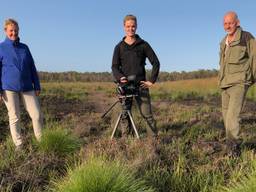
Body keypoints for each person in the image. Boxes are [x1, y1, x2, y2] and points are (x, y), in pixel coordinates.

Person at [112, 14, 160, 137]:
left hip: (141, 86)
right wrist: (120, 77)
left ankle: (153, 142)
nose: (130, 29)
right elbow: (114, 66)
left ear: (136, 26)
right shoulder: (119, 47)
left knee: (147, 115)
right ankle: (126, 140)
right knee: (124, 115)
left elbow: (155, 62)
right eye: (128, 26)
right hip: (124, 86)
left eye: (133, 26)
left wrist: (151, 80)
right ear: (124, 27)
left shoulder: (143, 44)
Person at [0, 18, 43, 150]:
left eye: (16, 30)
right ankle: (18, 145)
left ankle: (41, 141)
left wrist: (37, 85)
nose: (14, 33)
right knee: (14, 117)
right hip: (9, 88)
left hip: (27, 87)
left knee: (36, 115)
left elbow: (31, 67)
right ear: (6, 31)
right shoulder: (1, 47)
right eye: (11, 30)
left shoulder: (25, 48)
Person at [219, 11, 256, 143]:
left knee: (232, 116)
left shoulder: (247, 38)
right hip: (225, 84)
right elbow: (222, 64)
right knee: (225, 115)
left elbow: (254, 58)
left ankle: (234, 147)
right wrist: (220, 80)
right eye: (225, 23)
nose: (227, 26)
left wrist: (252, 78)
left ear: (237, 23)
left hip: (240, 82)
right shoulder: (223, 42)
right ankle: (231, 142)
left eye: (230, 23)